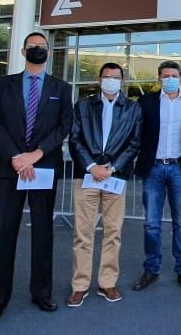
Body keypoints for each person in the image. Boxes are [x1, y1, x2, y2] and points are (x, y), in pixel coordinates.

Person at [0, 32, 73, 322]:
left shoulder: (62, 87)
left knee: (43, 232)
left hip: (43, 167)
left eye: (42, 47)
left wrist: (35, 154)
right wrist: (16, 157)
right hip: (11, 168)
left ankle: (42, 293)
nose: (37, 49)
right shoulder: (3, 85)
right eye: (33, 46)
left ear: (49, 52)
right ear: (23, 51)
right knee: (4, 232)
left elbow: (64, 126)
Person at [67, 62, 142, 307]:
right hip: (86, 175)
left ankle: (107, 282)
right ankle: (79, 285)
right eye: (106, 76)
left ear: (122, 81)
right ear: (99, 80)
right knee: (83, 233)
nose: (111, 80)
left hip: (115, 177)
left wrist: (112, 168)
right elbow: (75, 139)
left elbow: (134, 142)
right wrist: (92, 167)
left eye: (116, 77)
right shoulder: (83, 105)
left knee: (113, 233)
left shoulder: (132, 108)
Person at [131, 61, 181, 292]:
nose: (170, 79)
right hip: (153, 169)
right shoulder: (146, 102)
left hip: (179, 168)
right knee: (151, 224)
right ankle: (151, 269)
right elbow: (136, 133)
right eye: (165, 75)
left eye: (174, 75)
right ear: (159, 78)